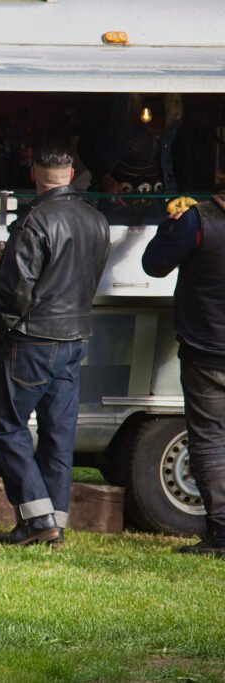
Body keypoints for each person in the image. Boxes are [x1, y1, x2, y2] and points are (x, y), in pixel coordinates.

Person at [0, 144, 110, 546]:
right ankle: (54, 520)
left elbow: (16, 292)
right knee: (59, 432)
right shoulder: (96, 218)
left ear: (33, 176)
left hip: (34, 337)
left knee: (5, 428)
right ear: (71, 176)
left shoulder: (34, 221)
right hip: (76, 335)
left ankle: (39, 521)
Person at [141, 194, 225, 557]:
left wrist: (171, 223)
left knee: (209, 440)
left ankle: (222, 533)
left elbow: (154, 264)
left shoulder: (197, 220)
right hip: (206, 347)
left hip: (207, 348)